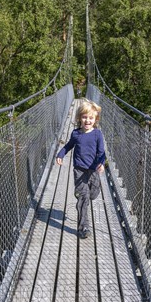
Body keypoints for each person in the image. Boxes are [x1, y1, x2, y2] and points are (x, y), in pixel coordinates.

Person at [56, 99, 106, 239]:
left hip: (93, 169)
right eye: (84, 117)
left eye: (91, 118)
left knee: (93, 194)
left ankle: (85, 192)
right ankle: (83, 227)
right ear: (79, 118)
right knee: (83, 199)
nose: (87, 120)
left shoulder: (97, 134)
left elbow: (102, 153)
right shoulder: (76, 134)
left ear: (95, 119)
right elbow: (68, 146)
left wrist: (101, 163)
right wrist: (61, 154)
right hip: (79, 169)